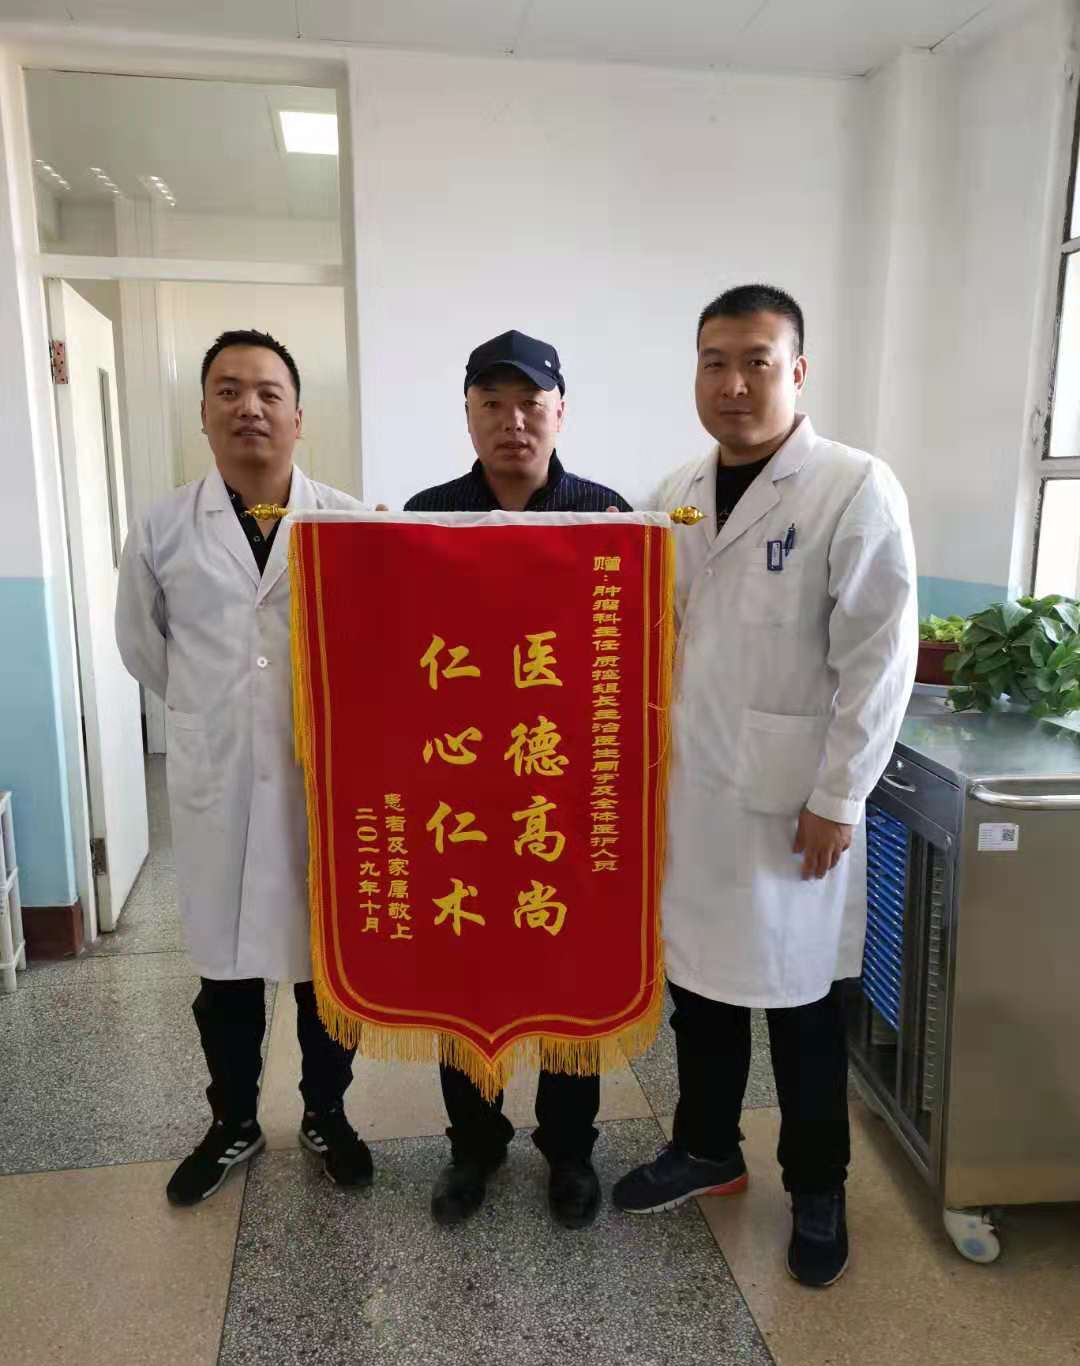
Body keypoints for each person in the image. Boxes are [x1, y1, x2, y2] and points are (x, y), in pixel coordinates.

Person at [612, 285, 917, 1287]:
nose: (734, 384)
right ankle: (707, 1147)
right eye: (715, 362)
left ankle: (818, 1186)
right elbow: (641, 621)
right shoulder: (679, 491)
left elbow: (880, 660)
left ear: (798, 371)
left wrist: (839, 797)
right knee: (701, 994)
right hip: (693, 799)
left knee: (803, 1010)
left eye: (757, 361)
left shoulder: (852, 487)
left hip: (795, 807)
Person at [116, 329, 374, 1205]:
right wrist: (218, 711)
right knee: (223, 973)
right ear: (203, 413)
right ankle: (232, 1121)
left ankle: (327, 1114)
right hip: (217, 777)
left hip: (319, 783)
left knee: (323, 971)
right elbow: (143, 645)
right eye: (228, 391)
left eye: (268, 392)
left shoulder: (350, 523)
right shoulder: (163, 527)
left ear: (299, 416)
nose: (249, 408)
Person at [406, 328, 631, 1230]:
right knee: (467, 968)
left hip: (565, 792)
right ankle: (474, 1143)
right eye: (491, 404)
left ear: (560, 411)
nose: (513, 422)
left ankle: (570, 1150)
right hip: (463, 793)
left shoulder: (608, 516)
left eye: (531, 404)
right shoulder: (425, 517)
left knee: (570, 974)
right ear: (467, 415)